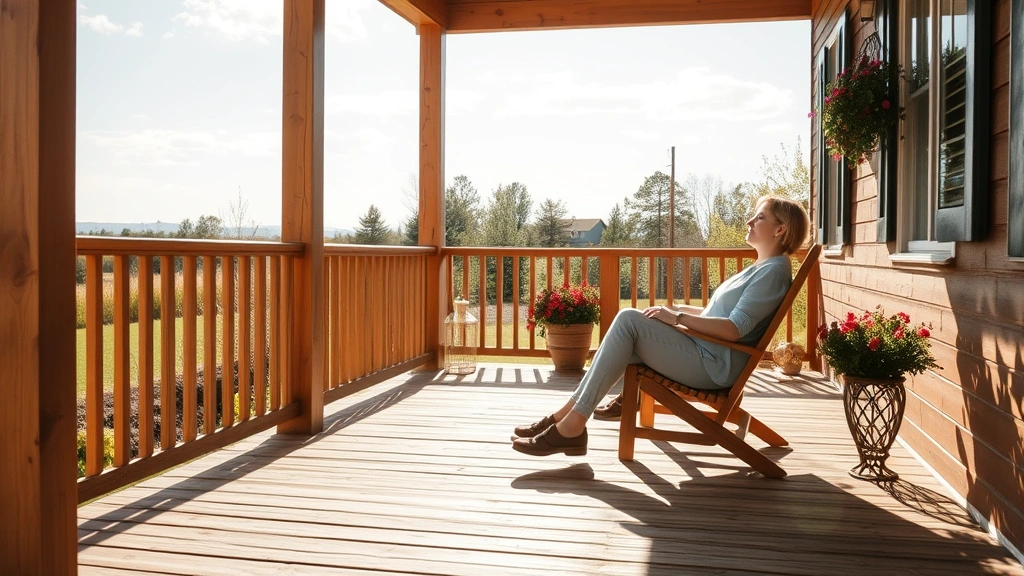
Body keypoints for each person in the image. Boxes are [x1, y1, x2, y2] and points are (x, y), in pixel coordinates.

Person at [512, 195, 810, 457]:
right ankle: (567, 417)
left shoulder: (773, 272)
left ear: (780, 229)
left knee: (628, 321)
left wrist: (677, 319)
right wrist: (675, 309)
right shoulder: (762, 267)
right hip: (704, 352)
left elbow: (733, 329)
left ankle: (571, 425)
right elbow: (715, 314)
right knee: (629, 330)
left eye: (760, 217)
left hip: (713, 366)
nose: (749, 221)